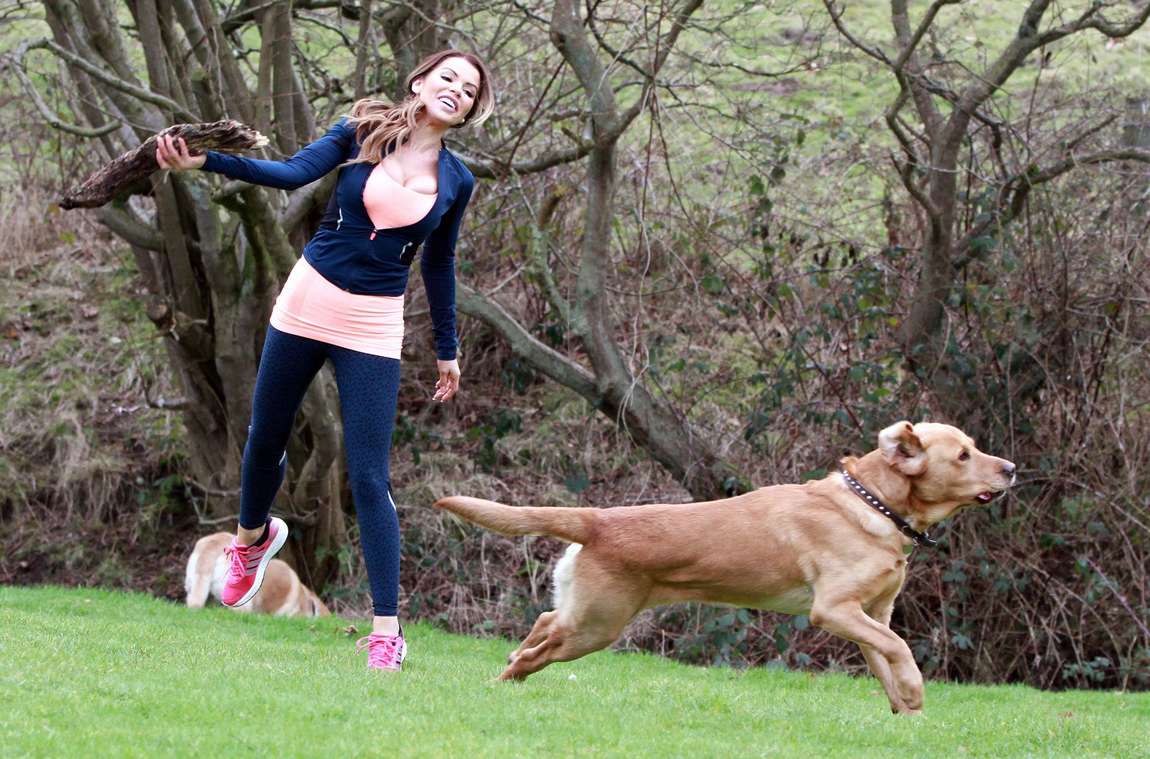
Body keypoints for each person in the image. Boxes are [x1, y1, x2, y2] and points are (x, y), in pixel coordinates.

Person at [155, 49, 495, 672]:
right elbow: (289, 175)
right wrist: (206, 161)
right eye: (448, 77)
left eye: (469, 90)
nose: (457, 90)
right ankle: (251, 542)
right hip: (308, 300)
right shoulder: (362, 131)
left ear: (471, 110)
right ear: (420, 82)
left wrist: (447, 348)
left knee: (370, 478)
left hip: (372, 325)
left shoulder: (458, 181)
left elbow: (439, 264)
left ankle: (387, 634)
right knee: (265, 438)